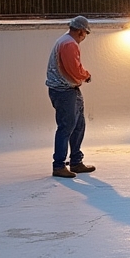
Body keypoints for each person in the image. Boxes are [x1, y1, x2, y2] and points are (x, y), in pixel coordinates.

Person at [45, 16, 96, 178]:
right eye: (85, 33)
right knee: (66, 127)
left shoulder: (66, 41)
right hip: (64, 91)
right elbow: (74, 69)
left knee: (78, 125)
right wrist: (86, 75)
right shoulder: (69, 44)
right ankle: (59, 165)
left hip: (69, 89)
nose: (85, 37)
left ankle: (75, 161)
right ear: (81, 31)